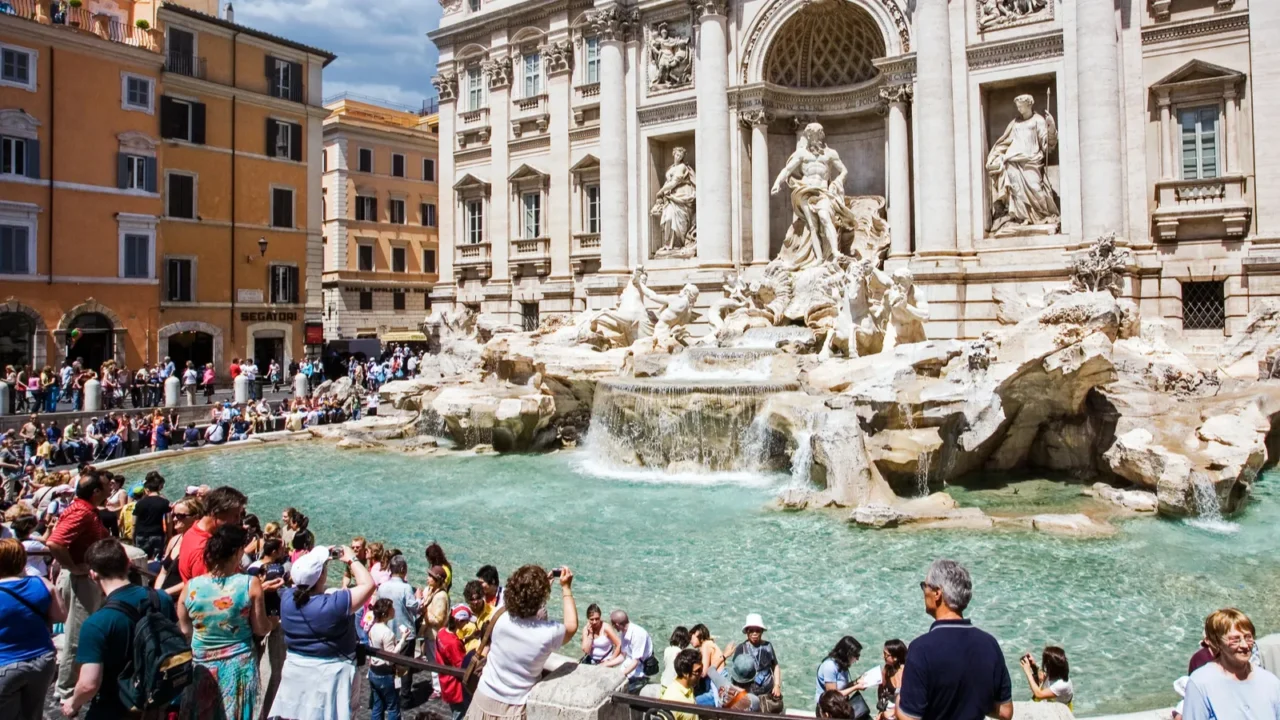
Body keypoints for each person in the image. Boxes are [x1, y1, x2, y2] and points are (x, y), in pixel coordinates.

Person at [61, 538, 178, 720]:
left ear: (93, 574)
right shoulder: (162, 598)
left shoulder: (96, 623)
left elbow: (89, 684)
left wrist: (72, 704)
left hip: (115, 707)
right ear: (129, 564)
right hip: (156, 701)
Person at [177, 523, 274, 720]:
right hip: (239, 666)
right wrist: (274, 622)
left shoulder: (191, 587)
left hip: (202, 665)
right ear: (238, 552)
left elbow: (186, 630)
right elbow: (260, 628)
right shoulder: (250, 583)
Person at [269, 544, 376, 720]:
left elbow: (299, 582)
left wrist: (317, 556)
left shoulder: (287, 599)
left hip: (296, 673)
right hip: (331, 678)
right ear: (322, 577)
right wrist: (351, 559)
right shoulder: (333, 605)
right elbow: (368, 584)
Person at [897, 559, 1013, 720]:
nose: (924, 591)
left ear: (937, 593)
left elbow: (908, 718)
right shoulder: (989, 644)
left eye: (925, 586)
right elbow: (1005, 712)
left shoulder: (920, 649)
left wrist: (898, 695)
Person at [468, 565, 577, 720]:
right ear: (542, 598)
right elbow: (571, 626)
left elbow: (515, 603)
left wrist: (534, 590)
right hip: (514, 709)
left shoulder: (498, 616)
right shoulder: (548, 633)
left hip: (482, 698)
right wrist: (566, 588)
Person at [47, 470, 110, 701]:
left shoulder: (86, 510)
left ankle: (79, 682)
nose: (111, 487)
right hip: (79, 580)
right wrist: (73, 567)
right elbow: (55, 542)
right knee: (78, 635)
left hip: (84, 577)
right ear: (95, 492)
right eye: (107, 485)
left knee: (84, 631)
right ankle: (66, 689)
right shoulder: (82, 513)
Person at [0, 538, 67, 719]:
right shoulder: (41, 584)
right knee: (33, 713)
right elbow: (61, 616)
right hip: (41, 661)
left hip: (4, 664)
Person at [1183, 608, 1280, 720]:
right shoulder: (1201, 683)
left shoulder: (1270, 682)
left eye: (1248, 637)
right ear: (1217, 642)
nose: (1244, 645)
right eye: (1235, 640)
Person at [377, 554, 421, 705]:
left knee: (389, 664)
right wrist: (420, 598)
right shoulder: (406, 587)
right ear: (402, 569)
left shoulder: (382, 587)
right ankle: (405, 698)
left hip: (387, 629)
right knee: (405, 666)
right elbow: (414, 607)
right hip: (405, 632)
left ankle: (389, 694)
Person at [178, 485, 247, 582]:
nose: (239, 521)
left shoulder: (192, 531)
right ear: (216, 513)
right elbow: (209, 589)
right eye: (235, 516)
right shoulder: (204, 551)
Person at [727, 613, 783, 713]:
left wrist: (777, 685)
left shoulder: (768, 646)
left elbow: (775, 666)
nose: (754, 633)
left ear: (762, 631)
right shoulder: (742, 648)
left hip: (768, 693)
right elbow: (735, 675)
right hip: (749, 695)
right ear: (746, 632)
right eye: (751, 630)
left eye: (758, 630)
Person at [367, 597, 411, 720]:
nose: (394, 610)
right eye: (392, 608)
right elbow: (391, 657)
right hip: (385, 674)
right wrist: (402, 640)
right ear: (386, 613)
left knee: (377, 705)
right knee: (393, 707)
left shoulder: (373, 627)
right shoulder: (387, 633)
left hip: (373, 671)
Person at [152, 496, 200, 598]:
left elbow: (194, 580)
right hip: (163, 597)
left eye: (180, 516)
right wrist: (157, 592)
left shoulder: (200, 544)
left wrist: (163, 594)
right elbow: (163, 573)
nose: (174, 519)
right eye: (173, 514)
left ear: (195, 517)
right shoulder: (174, 540)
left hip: (182, 599)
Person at [603, 609, 653, 694]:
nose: (613, 626)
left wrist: (621, 676)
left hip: (639, 671)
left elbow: (635, 662)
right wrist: (606, 664)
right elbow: (623, 656)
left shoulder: (638, 634)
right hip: (628, 665)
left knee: (616, 692)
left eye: (613, 624)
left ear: (617, 624)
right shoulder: (624, 632)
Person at [436, 604, 472, 720]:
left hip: (445, 681)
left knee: (456, 712)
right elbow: (462, 667)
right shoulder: (454, 644)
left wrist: (468, 638)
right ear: (459, 621)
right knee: (460, 715)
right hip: (456, 687)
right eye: (466, 621)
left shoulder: (441, 632)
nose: (467, 624)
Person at [1019, 646, 1074, 710]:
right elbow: (1040, 682)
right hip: (1050, 702)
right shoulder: (1056, 672)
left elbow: (1038, 694)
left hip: (1060, 710)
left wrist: (1028, 672)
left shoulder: (1062, 684)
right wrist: (1033, 666)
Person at [816, 635, 864, 705]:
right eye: (856, 655)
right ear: (847, 654)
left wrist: (856, 682)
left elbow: (842, 688)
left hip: (839, 705)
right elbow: (833, 696)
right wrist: (856, 687)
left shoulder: (842, 665)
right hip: (827, 708)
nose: (857, 659)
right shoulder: (830, 666)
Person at [133, 471, 170, 561]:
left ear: (147, 489)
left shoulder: (139, 503)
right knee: (157, 560)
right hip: (157, 534)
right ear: (159, 488)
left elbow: (134, 523)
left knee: (142, 559)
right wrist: (168, 536)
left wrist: (133, 537)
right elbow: (169, 521)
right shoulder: (165, 502)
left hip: (141, 535)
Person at [661, 648, 703, 720]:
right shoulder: (672, 699)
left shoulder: (688, 688)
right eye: (698, 671)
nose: (701, 674)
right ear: (685, 673)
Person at [877, 640, 907, 720]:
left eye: (886, 655)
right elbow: (881, 690)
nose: (883, 657)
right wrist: (881, 711)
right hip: (887, 711)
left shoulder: (907, 673)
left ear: (895, 658)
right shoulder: (887, 669)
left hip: (901, 714)